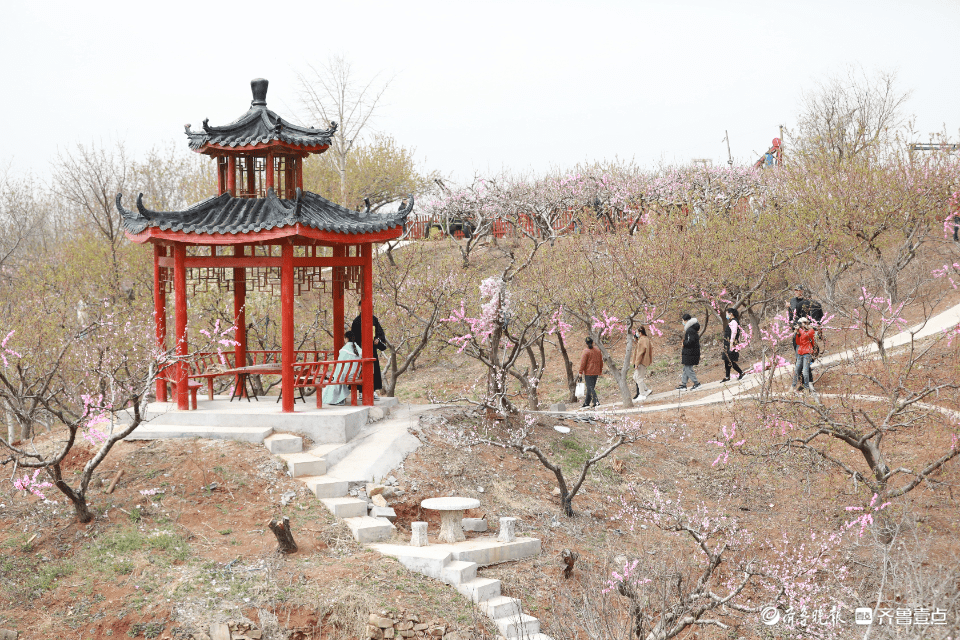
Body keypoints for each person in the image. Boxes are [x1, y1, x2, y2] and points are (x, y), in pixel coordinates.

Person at [350, 299, 388, 398]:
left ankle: (372, 391)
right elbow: (353, 338)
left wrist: (377, 339)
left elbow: (380, 333)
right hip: (360, 350)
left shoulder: (374, 319)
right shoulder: (356, 321)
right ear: (359, 308)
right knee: (360, 370)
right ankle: (361, 392)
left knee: (373, 370)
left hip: (372, 350)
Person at [322, 330, 362, 406]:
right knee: (336, 377)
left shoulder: (344, 350)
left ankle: (338, 399)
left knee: (334, 378)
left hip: (346, 375)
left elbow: (340, 366)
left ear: (346, 338)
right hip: (355, 375)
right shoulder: (358, 349)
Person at [677, 313, 701, 391]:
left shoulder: (690, 330)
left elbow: (691, 341)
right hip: (691, 352)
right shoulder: (692, 329)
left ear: (686, 321)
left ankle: (696, 383)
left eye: (683, 321)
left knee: (688, 369)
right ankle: (684, 385)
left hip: (691, 353)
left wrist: (684, 343)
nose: (682, 323)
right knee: (685, 368)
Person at [720, 308, 746, 383]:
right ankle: (727, 376)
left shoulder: (734, 321)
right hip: (728, 344)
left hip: (730, 344)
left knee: (730, 360)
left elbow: (734, 332)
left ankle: (741, 372)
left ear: (731, 313)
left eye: (727, 313)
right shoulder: (732, 321)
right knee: (726, 360)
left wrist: (731, 343)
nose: (726, 315)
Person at [577, 336, 603, 408]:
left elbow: (583, 363)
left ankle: (596, 402)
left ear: (586, 343)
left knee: (590, 387)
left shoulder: (586, 351)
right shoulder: (598, 350)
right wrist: (600, 370)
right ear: (593, 342)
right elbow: (601, 362)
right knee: (590, 388)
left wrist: (580, 372)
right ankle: (586, 403)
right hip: (596, 372)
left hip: (589, 372)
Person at [793, 317, 817, 393]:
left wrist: (799, 330)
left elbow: (805, 335)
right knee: (796, 370)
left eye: (802, 323)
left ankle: (807, 388)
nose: (801, 325)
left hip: (807, 352)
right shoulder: (800, 331)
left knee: (805, 372)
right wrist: (797, 333)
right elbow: (798, 342)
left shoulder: (811, 330)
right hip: (800, 352)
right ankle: (793, 386)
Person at [631, 326, 653, 400]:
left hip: (641, 362)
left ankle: (642, 394)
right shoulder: (646, 339)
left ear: (640, 333)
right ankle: (646, 390)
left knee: (639, 378)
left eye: (637, 332)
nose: (636, 334)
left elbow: (640, 353)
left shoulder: (642, 340)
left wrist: (636, 364)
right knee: (635, 377)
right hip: (645, 360)